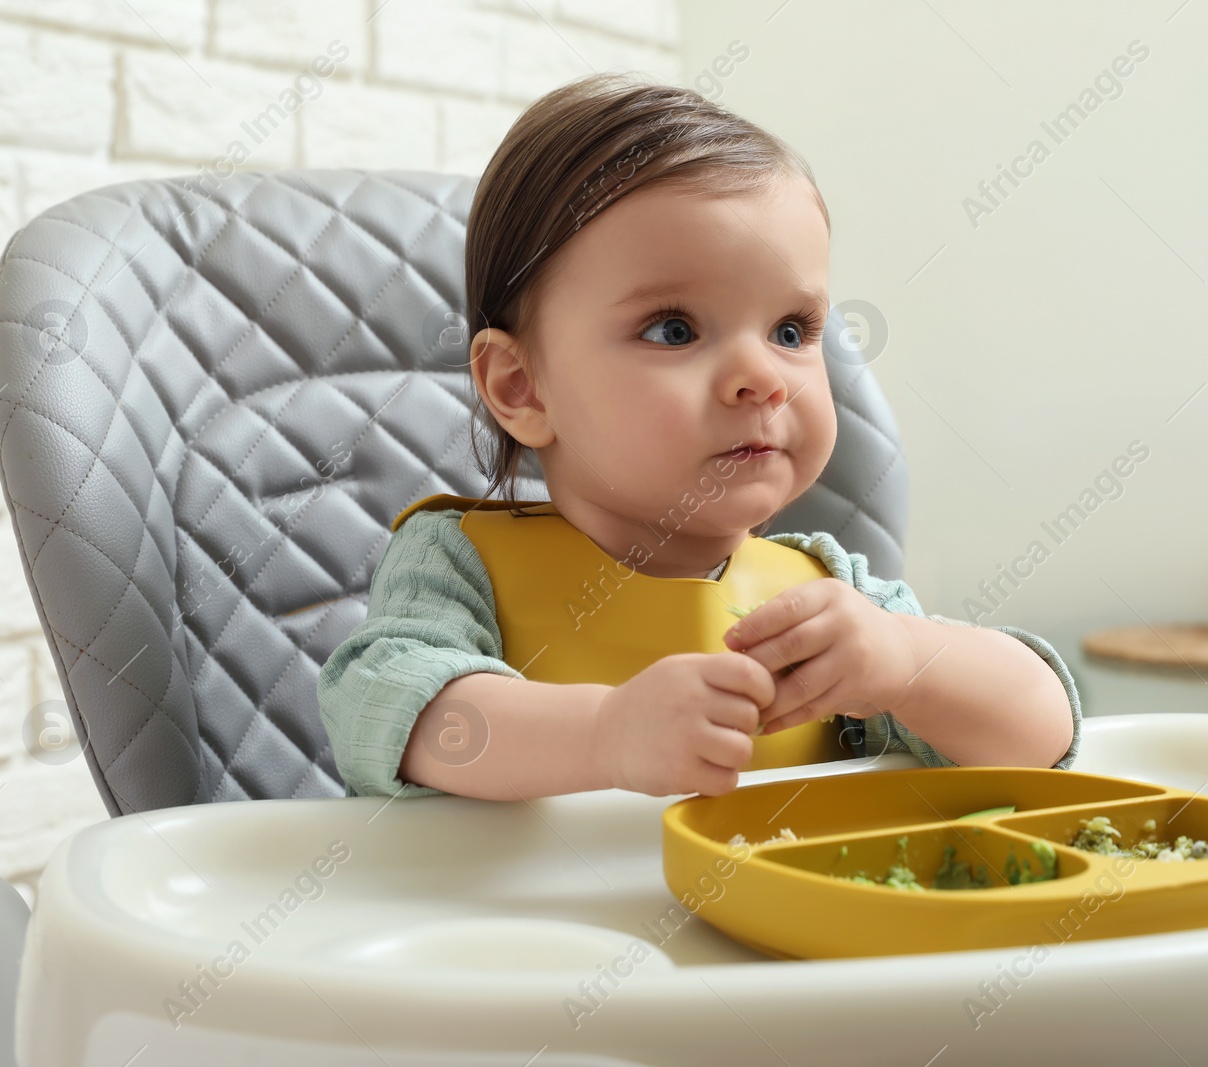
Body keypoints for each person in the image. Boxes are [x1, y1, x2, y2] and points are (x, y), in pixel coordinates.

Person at [317, 71, 1081, 803]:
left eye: (792, 329)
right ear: (522, 387)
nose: (764, 377)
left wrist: (908, 664)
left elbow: (1043, 738)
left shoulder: (830, 596)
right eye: (674, 329)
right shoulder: (460, 565)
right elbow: (379, 709)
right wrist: (602, 736)